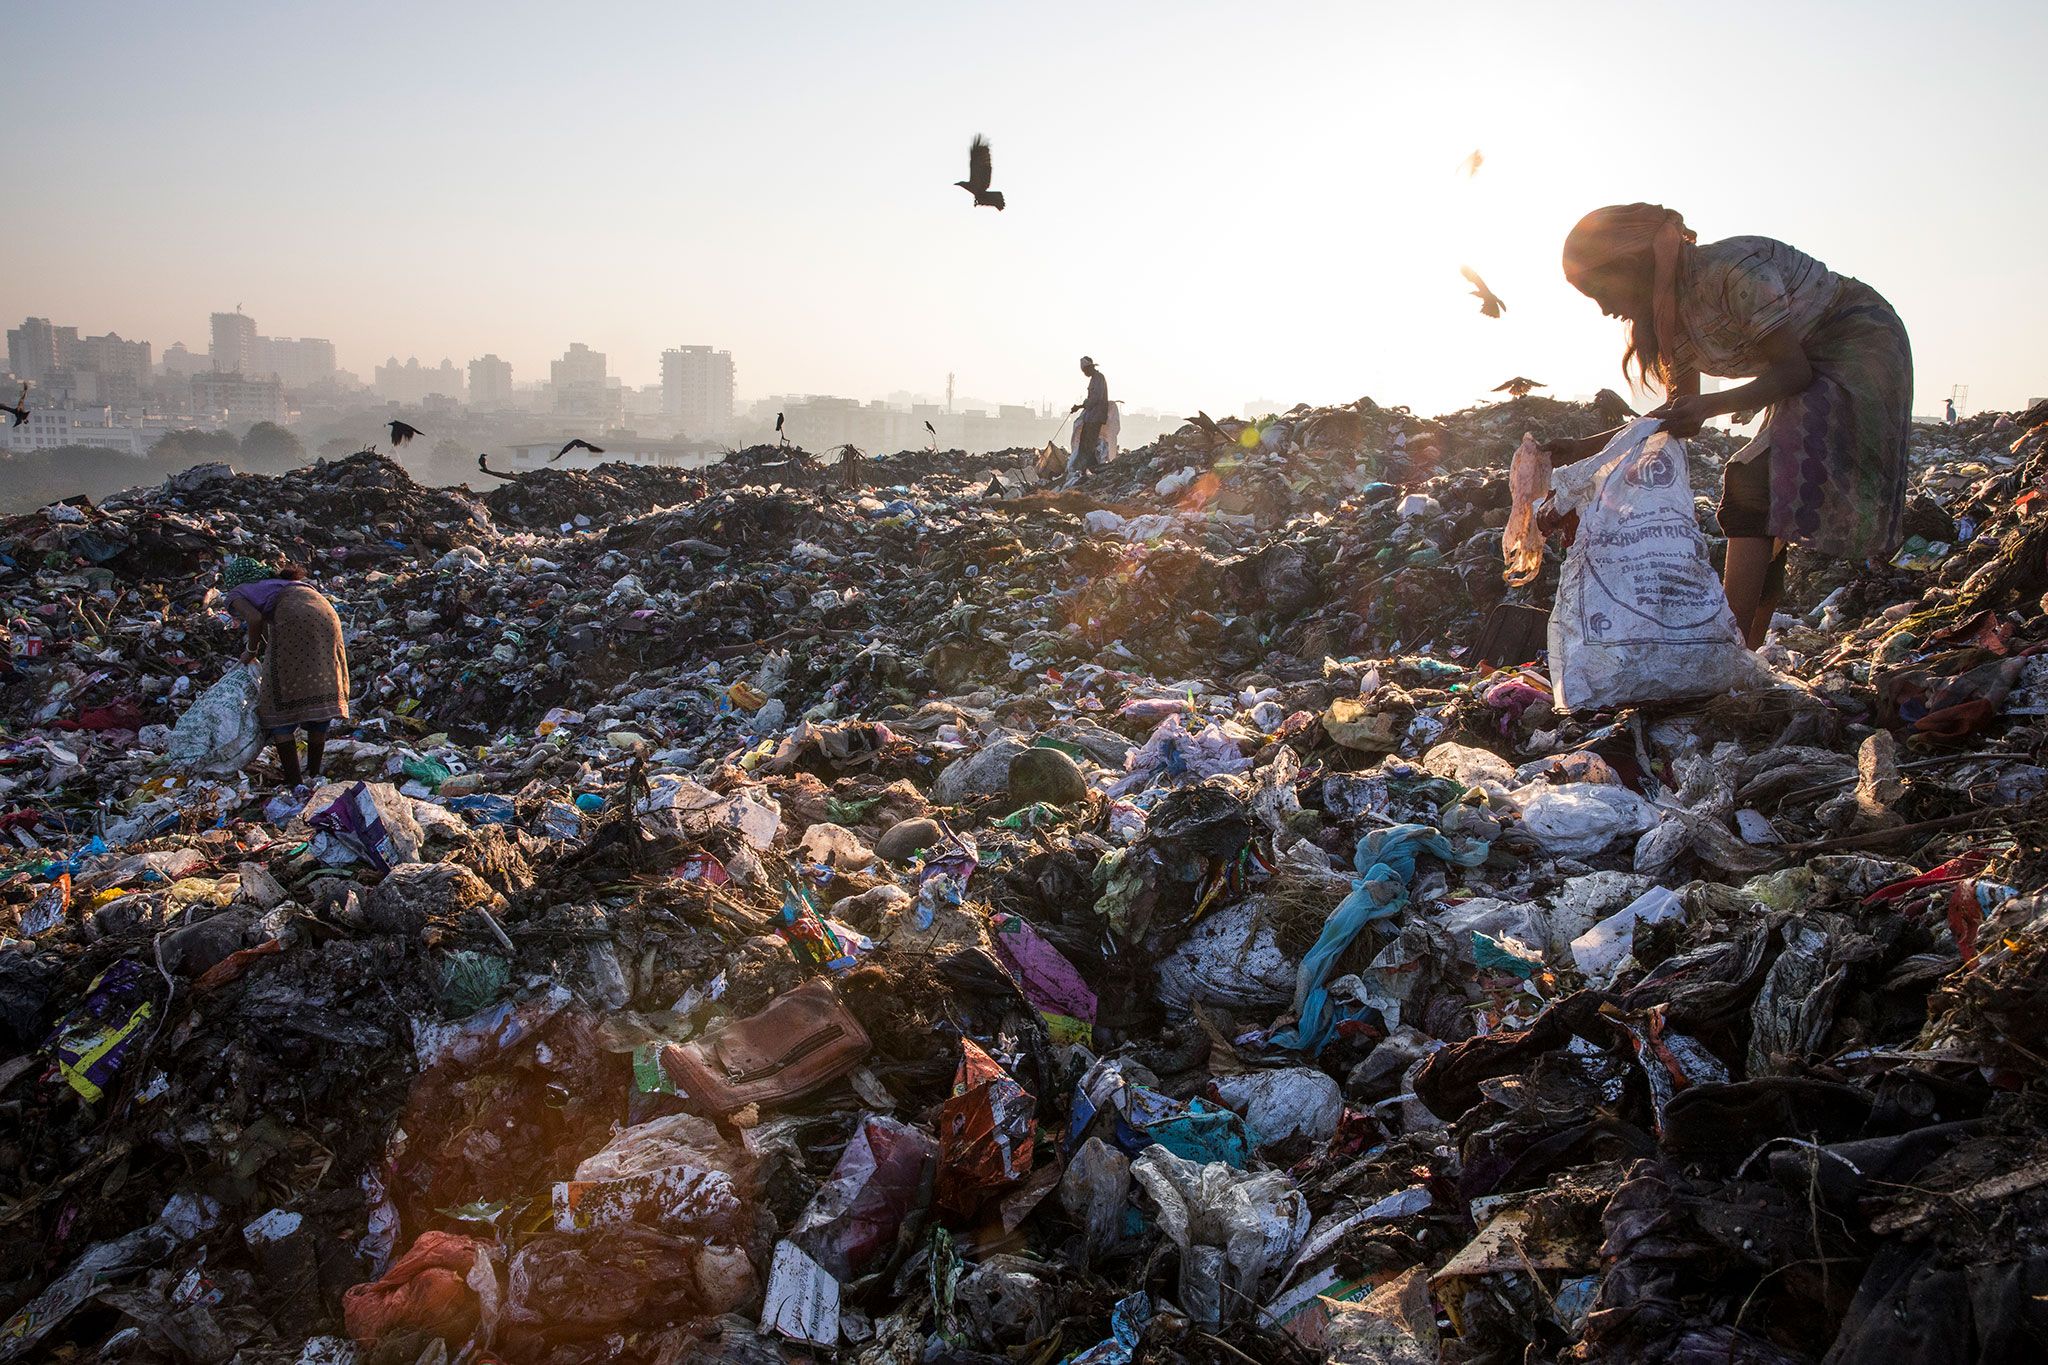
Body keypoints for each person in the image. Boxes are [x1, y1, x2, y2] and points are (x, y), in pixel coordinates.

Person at [1548, 204, 1911, 648]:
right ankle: (1746, 647)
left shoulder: (1732, 272)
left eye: (1601, 291)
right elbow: (1679, 414)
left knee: (1753, 482)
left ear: (1633, 265)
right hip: (1806, 365)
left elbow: (1793, 372)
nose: (1605, 308)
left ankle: (1729, 647)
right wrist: (1584, 448)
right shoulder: (1673, 318)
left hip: (1859, 343)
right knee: (1765, 494)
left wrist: (1710, 404)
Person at [221, 556, 350, 788]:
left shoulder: (237, 592)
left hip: (295, 617)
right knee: (318, 684)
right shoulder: (279, 585)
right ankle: (312, 773)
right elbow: (268, 629)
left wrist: (251, 651)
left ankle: (294, 780)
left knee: (275, 697)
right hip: (326, 615)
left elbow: (254, 618)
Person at [1067, 356, 1110, 484]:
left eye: (1085, 371)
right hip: (1090, 416)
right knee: (1085, 443)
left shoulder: (1099, 378)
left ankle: (1089, 469)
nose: (1085, 373)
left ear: (1090, 368)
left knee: (1089, 444)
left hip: (1095, 417)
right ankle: (1087, 469)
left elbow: (1095, 398)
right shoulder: (1094, 379)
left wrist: (1081, 406)